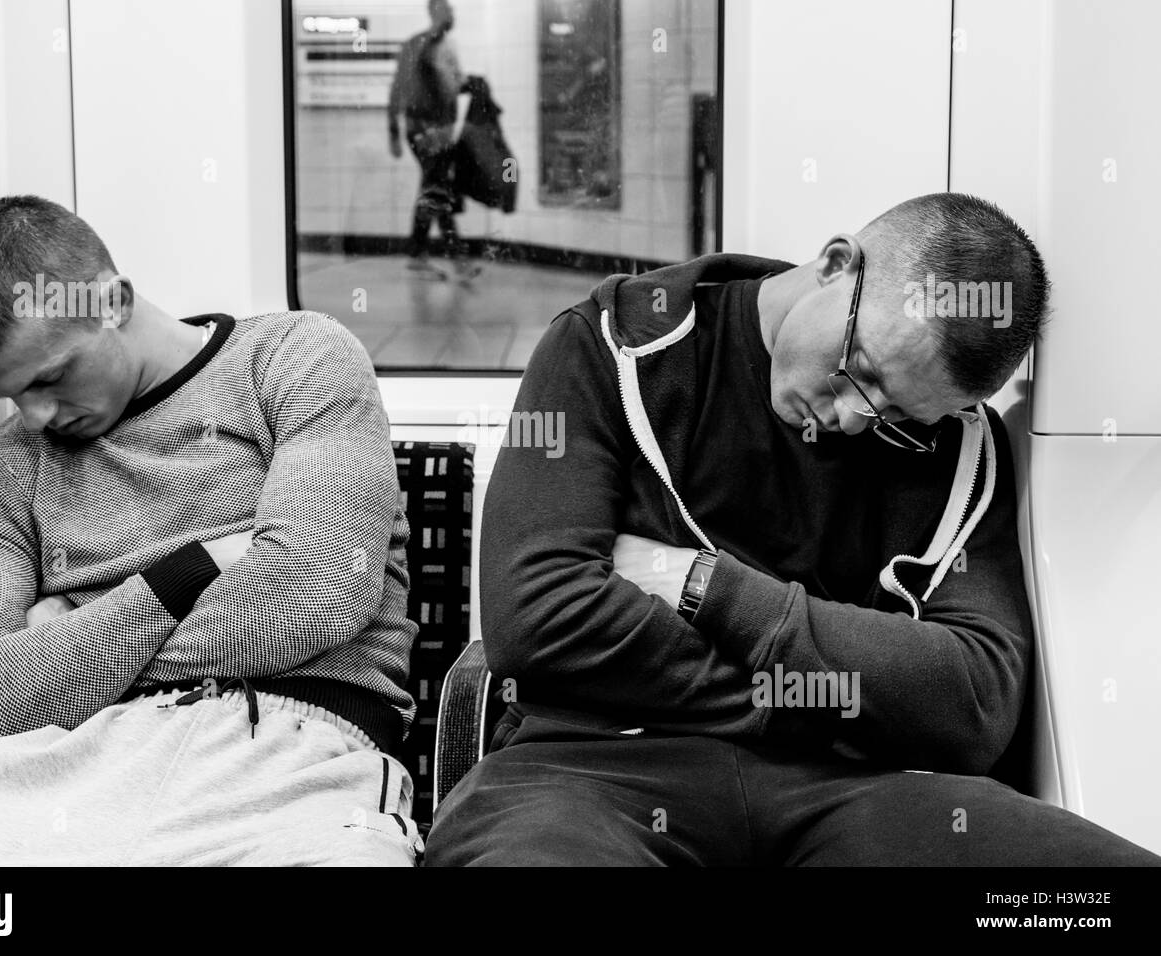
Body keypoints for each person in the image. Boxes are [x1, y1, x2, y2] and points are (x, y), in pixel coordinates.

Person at [425, 192, 1161, 866]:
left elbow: (974, 704)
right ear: (838, 265)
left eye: (901, 420)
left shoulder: (964, 449)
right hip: (594, 770)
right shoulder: (609, 346)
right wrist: (836, 693)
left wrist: (704, 587)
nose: (853, 419)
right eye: (860, 372)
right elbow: (537, 618)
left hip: (864, 790)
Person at [0, 195, 424, 866]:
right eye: (11, 397)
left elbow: (313, 592)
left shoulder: (295, 359)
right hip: (64, 763)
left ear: (114, 302)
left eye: (50, 377)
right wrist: (185, 575)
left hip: (286, 743)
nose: (36, 416)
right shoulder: (4, 472)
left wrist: (66, 634)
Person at [387, 0, 479, 281]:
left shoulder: (445, 47)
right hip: (423, 131)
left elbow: (453, 84)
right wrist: (393, 130)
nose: (453, 16)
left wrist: (472, 84)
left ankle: (419, 254)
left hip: (438, 131)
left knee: (434, 188)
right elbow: (399, 87)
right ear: (435, 13)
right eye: (448, 11)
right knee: (437, 188)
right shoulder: (417, 45)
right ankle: (455, 258)